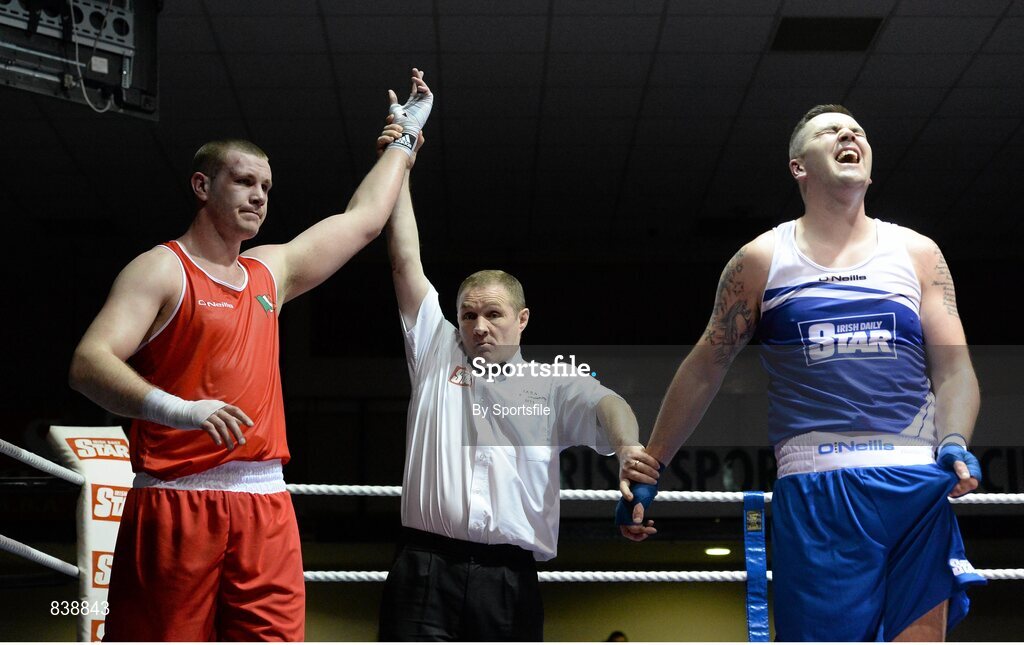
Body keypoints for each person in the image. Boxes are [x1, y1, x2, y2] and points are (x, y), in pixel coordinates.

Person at [67, 70, 433, 641]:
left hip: (265, 501)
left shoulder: (270, 271)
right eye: (242, 182)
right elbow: (89, 364)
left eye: (265, 186)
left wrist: (404, 140)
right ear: (201, 186)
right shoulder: (161, 269)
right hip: (176, 500)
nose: (259, 196)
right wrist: (179, 410)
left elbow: (360, 222)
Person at [619, 104, 986, 641]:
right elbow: (706, 368)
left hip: (916, 485)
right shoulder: (762, 260)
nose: (848, 134)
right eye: (830, 130)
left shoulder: (917, 253)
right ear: (799, 166)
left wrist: (954, 439)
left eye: (857, 129)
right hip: (819, 491)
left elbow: (955, 369)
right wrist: (651, 468)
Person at [375, 119, 660, 641]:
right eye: (468, 315)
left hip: (508, 577)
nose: (478, 326)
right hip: (423, 567)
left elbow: (609, 403)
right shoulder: (438, 350)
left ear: (522, 319)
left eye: (493, 314)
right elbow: (403, 261)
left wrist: (627, 448)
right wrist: (402, 159)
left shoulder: (553, 383)